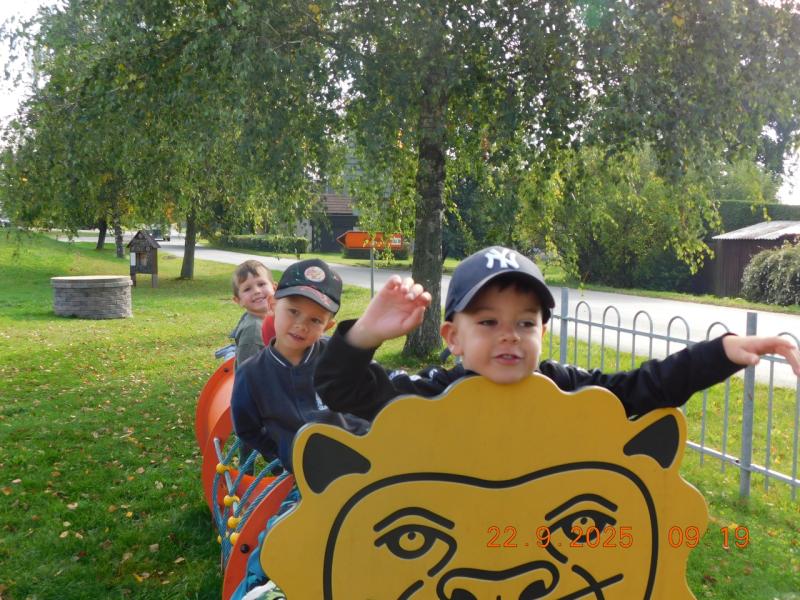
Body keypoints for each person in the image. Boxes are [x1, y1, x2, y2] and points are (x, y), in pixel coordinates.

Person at [315, 245, 800, 421]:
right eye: (488, 322)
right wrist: (365, 335)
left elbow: (643, 388)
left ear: (543, 330)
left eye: (525, 323)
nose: (510, 335)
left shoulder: (565, 388)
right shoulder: (431, 396)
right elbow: (344, 391)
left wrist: (720, 353)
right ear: (452, 337)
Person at [229, 259, 369, 600]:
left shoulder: (335, 360)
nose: (301, 325)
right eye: (293, 311)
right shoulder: (252, 374)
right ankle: (259, 588)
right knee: (278, 536)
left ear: (328, 324)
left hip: (361, 473)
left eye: (315, 320)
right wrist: (283, 452)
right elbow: (246, 427)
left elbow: (368, 403)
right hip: (307, 483)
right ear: (273, 305)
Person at [231, 260, 276, 370]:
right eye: (247, 289)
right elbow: (248, 373)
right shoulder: (254, 330)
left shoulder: (275, 316)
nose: (256, 291)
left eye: (261, 284)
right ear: (239, 300)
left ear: (274, 288)